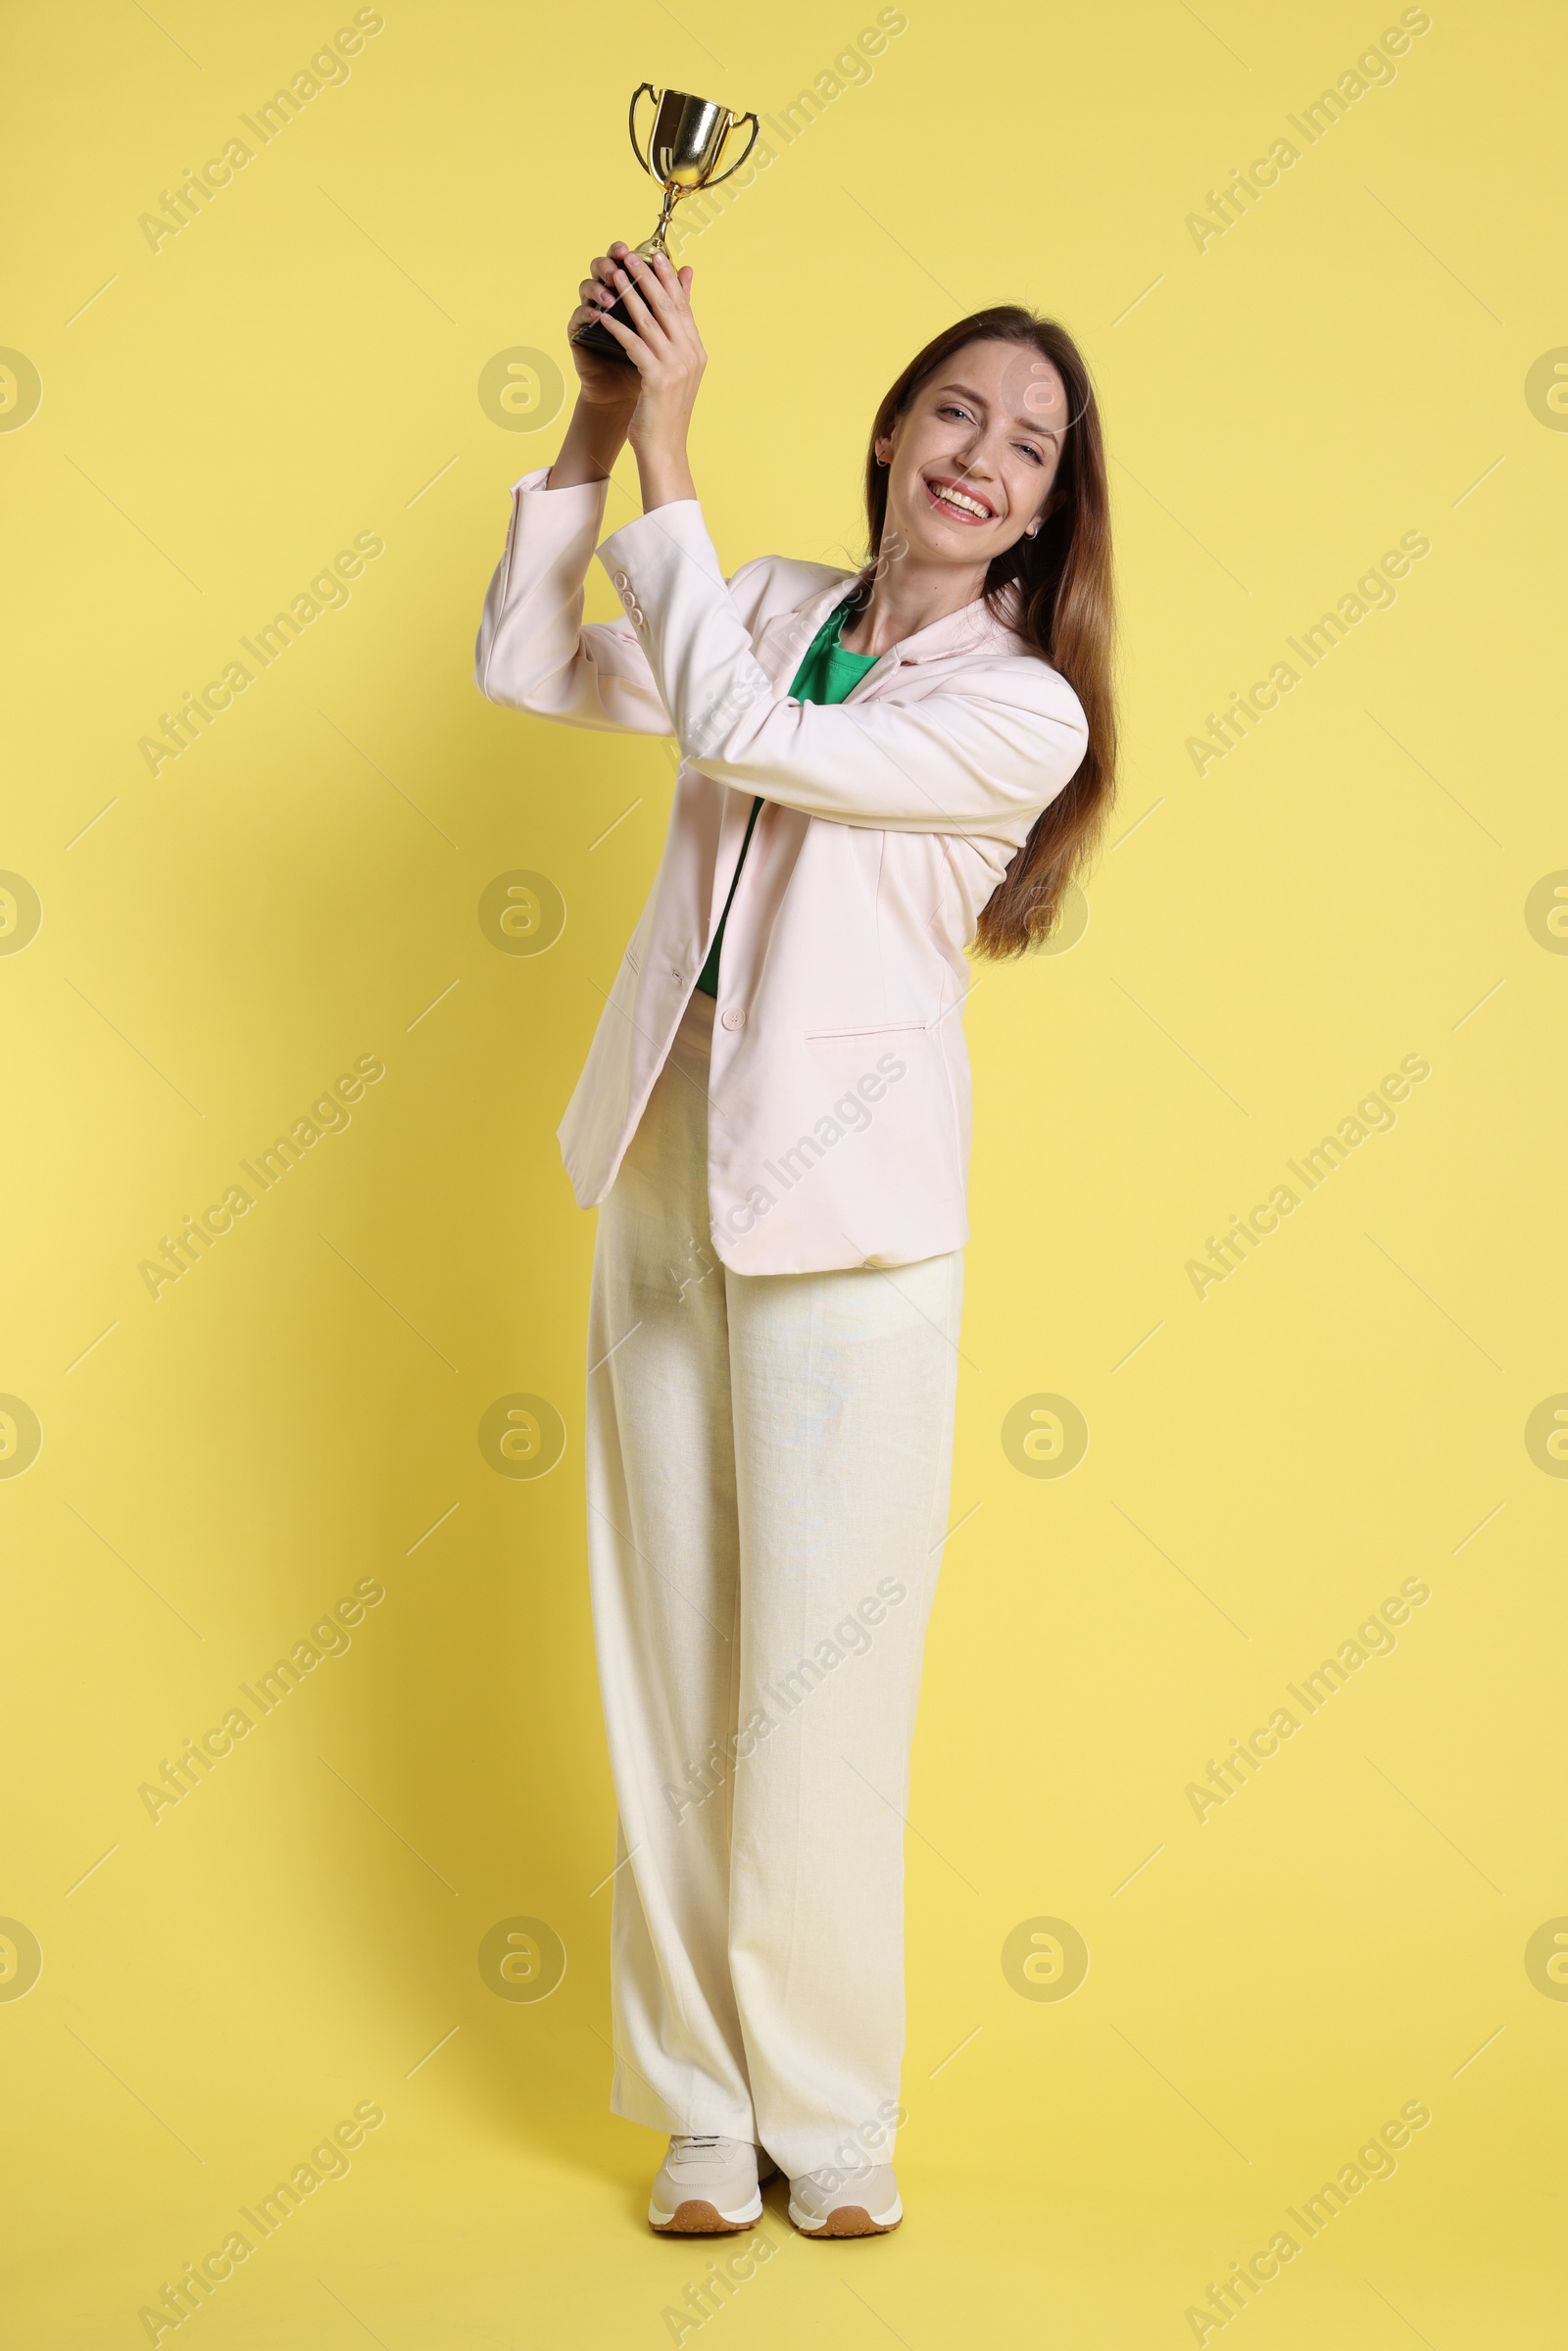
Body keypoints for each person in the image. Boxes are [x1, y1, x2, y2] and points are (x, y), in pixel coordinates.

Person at [474, 243, 1116, 2238]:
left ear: (1042, 513)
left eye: (1027, 449)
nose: (984, 462)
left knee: (816, 1691)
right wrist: (596, 425)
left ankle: (824, 2112)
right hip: (663, 1173)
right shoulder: (759, 599)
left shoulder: (1016, 716)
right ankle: (691, 2105)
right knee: (666, 1658)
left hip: (847, 1228)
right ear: (887, 431)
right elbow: (524, 657)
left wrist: (670, 451)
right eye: (957, 412)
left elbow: (753, 744)